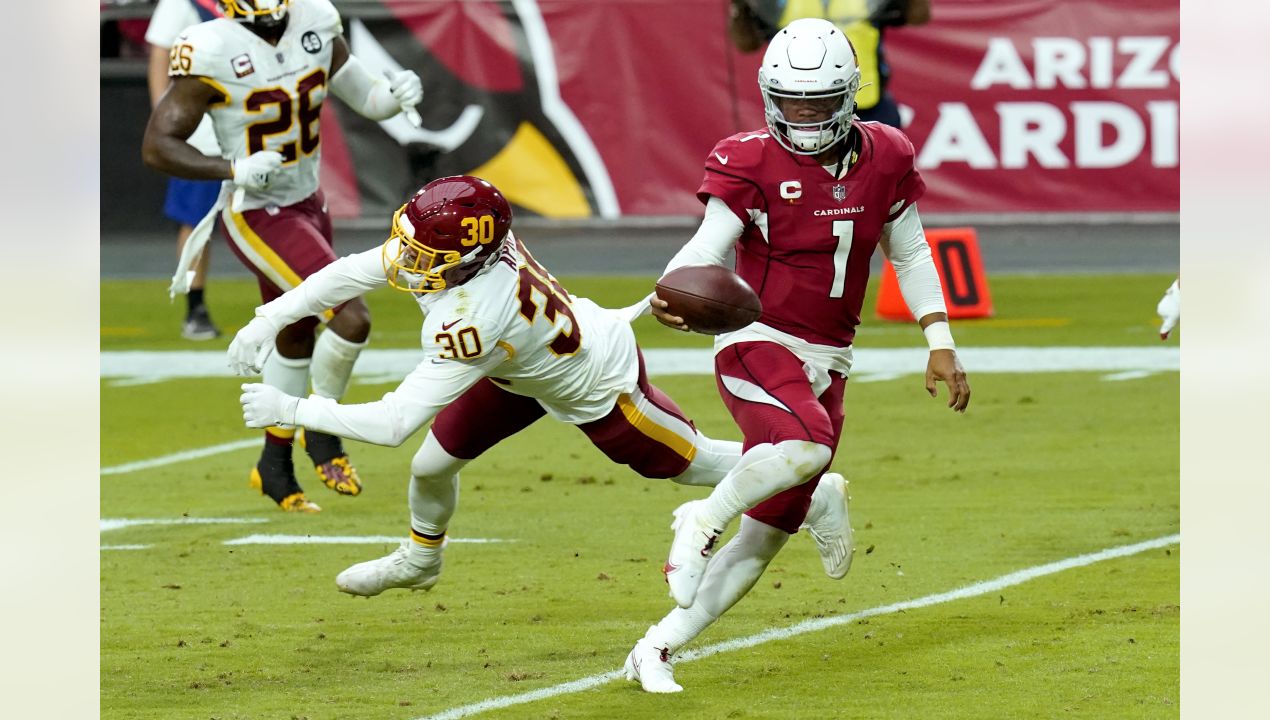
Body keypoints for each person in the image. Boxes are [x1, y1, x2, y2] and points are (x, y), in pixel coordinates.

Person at [230, 175, 852, 597]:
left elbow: (392, 422)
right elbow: (353, 269)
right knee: (430, 468)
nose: (408, 260)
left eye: (425, 253)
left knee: (689, 467)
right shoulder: (468, 256)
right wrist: (268, 318)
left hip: (593, 380)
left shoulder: (468, 317)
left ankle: (811, 485)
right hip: (512, 366)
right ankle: (421, 559)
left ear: (467, 259)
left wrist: (293, 406)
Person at [623, 18, 970, 693]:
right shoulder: (748, 159)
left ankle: (656, 648)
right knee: (806, 447)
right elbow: (710, 242)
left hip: (830, 355)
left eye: (816, 103)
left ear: (847, 96)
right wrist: (669, 289)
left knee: (768, 535)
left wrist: (940, 340)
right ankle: (702, 518)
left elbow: (912, 250)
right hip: (758, 338)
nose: (803, 117)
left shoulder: (887, 154)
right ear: (768, 97)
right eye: (791, 103)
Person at [142, 0, 424, 512]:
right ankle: (322, 432)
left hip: (309, 201)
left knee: (295, 331)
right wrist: (233, 168)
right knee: (351, 315)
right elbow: (158, 145)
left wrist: (396, 95)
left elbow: (366, 97)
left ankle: (272, 465)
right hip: (257, 212)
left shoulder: (315, 20)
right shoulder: (211, 46)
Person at [145, 0, 225, 340]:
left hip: (251, 130)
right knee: (197, 224)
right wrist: (166, 117)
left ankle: (292, 303)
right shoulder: (181, 3)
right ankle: (195, 307)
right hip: (202, 132)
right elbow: (160, 53)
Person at [729, 0, 932, 128]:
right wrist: (740, 7)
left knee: (885, 185)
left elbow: (918, 16)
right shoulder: (777, 4)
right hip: (801, 108)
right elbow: (747, 43)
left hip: (866, 103)